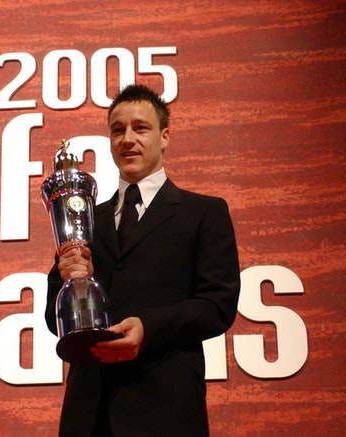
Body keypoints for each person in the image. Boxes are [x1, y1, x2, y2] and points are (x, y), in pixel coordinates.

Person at [45, 84, 240, 436]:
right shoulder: (85, 219)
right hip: (88, 414)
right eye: (117, 130)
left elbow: (217, 305)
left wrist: (148, 329)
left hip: (166, 410)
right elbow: (52, 318)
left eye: (141, 128)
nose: (128, 139)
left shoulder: (203, 212)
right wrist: (69, 280)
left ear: (164, 137)